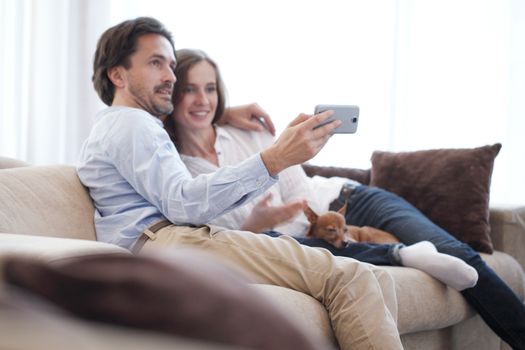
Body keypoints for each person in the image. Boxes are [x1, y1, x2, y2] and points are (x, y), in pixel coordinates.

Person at [163, 48, 525, 350]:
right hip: (301, 236)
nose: (202, 100)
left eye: (210, 89)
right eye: (189, 90)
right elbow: (230, 237)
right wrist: (262, 225)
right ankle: (404, 254)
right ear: (170, 94)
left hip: (346, 198)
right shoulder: (178, 170)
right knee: (303, 248)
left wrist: (283, 219)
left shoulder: (246, 132)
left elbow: (300, 191)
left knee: (457, 251)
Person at [77, 17, 404, 349]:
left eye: (172, 66)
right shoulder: (132, 125)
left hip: (177, 239)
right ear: (117, 74)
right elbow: (183, 202)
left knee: (375, 277)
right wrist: (274, 158)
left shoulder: (125, 127)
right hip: (170, 241)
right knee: (352, 277)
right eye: (155, 63)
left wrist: (224, 113)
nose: (170, 77)